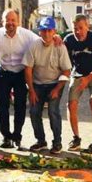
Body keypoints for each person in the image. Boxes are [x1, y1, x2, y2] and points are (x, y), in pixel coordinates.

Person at [0, 9, 39, 150]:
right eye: (7, 20)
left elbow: (42, 41)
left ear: (18, 22)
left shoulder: (27, 35)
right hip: (3, 72)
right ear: (2, 22)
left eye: (13, 20)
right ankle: (6, 136)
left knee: (20, 106)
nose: (10, 23)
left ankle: (17, 136)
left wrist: (57, 38)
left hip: (21, 74)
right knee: (2, 106)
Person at [23, 16, 72, 154]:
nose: (46, 33)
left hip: (55, 83)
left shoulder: (60, 46)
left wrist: (57, 89)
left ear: (54, 31)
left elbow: (67, 71)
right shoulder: (33, 46)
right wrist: (31, 90)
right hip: (37, 84)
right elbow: (28, 70)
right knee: (34, 111)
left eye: (49, 30)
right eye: (43, 30)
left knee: (53, 111)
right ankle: (41, 141)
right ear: (40, 32)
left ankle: (57, 142)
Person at [64, 14, 92, 157]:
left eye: (81, 28)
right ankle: (76, 138)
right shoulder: (68, 40)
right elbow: (62, 58)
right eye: (75, 28)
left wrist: (88, 78)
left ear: (87, 27)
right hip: (77, 74)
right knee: (71, 104)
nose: (78, 32)